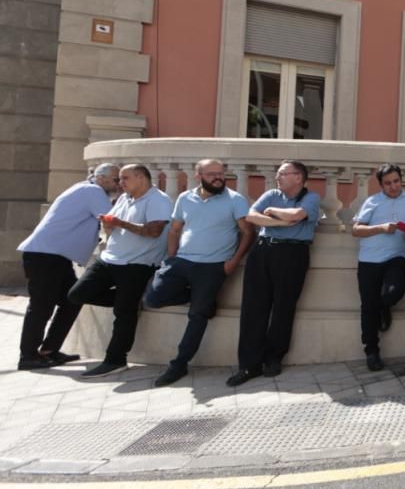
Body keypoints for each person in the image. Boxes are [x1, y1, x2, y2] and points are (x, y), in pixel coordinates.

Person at [143, 159, 255, 387]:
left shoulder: (235, 200)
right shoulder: (185, 198)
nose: (218, 177)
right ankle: (201, 300)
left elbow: (247, 232)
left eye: (221, 174)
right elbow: (175, 229)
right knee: (152, 299)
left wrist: (233, 261)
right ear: (198, 175)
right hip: (181, 261)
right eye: (212, 174)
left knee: (197, 316)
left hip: (213, 266)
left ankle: (179, 365)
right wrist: (171, 257)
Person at [14, 163, 119, 370]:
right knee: (42, 307)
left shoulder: (86, 189)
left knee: (73, 299)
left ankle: (49, 350)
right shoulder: (92, 191)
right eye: (116, 180)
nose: (118, 184)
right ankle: (28, 356)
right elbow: (112, 219)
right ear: (102, 178)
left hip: (56, 257)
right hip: (45, 256)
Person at [227, 161, 321, 386]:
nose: (277, 177)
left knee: (283, 307)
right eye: (278, 174)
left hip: (292, 253)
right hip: (262, 250)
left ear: (298, 177)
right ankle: (249, 365)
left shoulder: (311, 198)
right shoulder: (270, 194)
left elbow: (298, 214)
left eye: (282, 174)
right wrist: (282, 221)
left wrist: (272, 214)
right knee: (253, 307)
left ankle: (273, 358)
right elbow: (251, 216)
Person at [71, 164, 171, 377]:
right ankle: (130, 300)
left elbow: (154, 232)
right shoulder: (124, 198)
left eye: (124, 178)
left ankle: (116, 360)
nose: (120, 183)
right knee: (77, 294)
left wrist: (120, 223)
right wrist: (108, 224)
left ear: (141, 177)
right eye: (119, 179)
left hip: (138, 264)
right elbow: (112, 225)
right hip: (109, 259)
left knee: (123, 313)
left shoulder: (159, 200)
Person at [351, 164, 405, 371]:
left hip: (396, 256)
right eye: (388, 183)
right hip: (369, 260)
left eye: (396, 181)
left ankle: (383, 307)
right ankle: (371, 352)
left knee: (395, 292)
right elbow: (356, 230)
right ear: (381, 185)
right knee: (367, 306)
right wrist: (381, 228)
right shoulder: (372, 201)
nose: (393, 186)